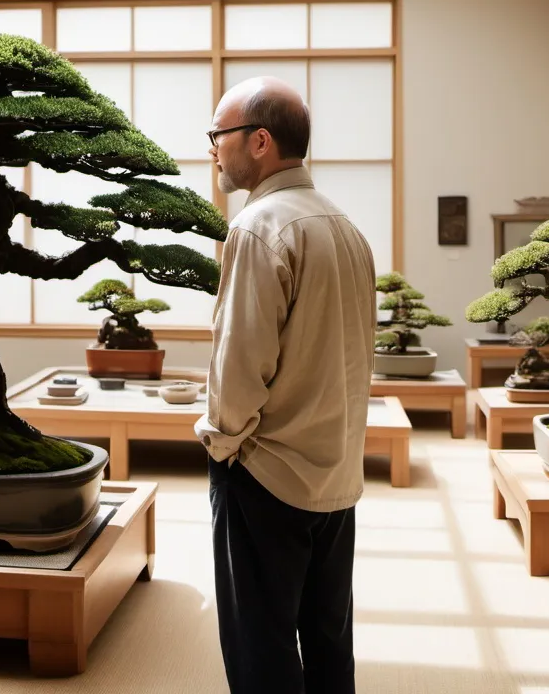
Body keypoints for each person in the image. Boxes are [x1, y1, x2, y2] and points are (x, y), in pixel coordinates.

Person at [195, 76, 376, 694]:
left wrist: (221, 445)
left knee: (261, 649)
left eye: (218, 136)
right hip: (335, 473)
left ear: (260, 142)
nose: (212, 150)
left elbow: (241, 365)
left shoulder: (259, 227)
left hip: (266, 473)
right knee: (328, 646)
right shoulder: (346, 226)